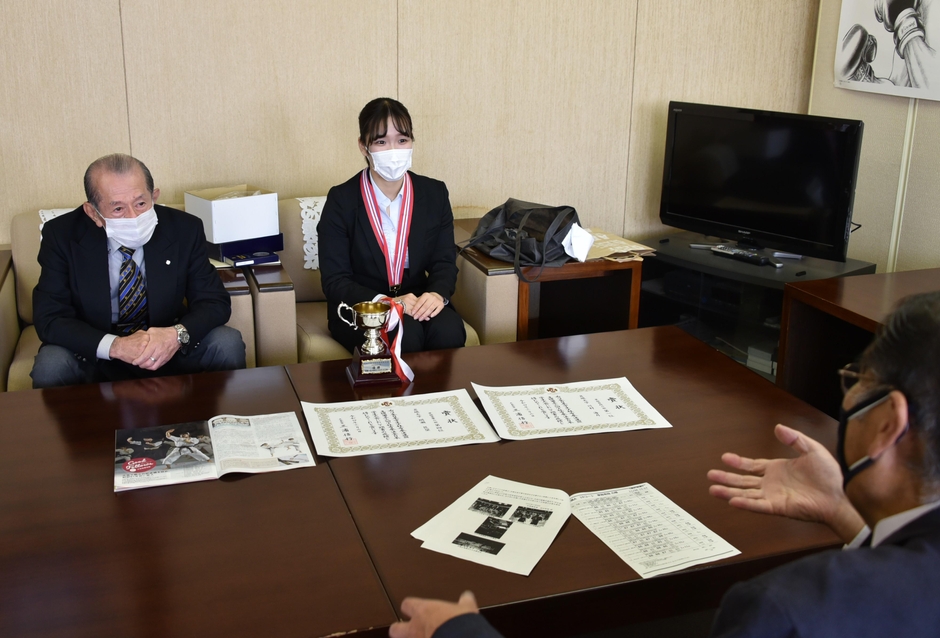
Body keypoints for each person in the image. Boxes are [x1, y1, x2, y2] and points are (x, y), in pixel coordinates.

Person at [388, 291, 940, 638]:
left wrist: (462, 633)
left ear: (889, 421)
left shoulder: (786, 610)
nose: (847, 401)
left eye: (857, 382)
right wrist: (846, 514)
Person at [31, 153, 246, 388]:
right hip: (97, 352)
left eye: (141, 204)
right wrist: (115, 346)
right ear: (93, 212)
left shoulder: (185, 229)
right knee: (51, 364)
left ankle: (224, 422)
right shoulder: (61, 236)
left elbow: (214, 302)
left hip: (165, 346)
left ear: (154, 196)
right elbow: (50, 317)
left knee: (226, 342)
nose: (134, 217)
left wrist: (176, 335)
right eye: (118, 209)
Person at [318, 98, 466, 354]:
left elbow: (444, 261)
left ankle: (444, 395)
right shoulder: (341, 200)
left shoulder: (434, 193)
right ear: (364, 146)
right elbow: (335, 280)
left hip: (417, 297)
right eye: (381, 141)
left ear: (411, 142)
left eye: (402, 140)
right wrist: (389, 303)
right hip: (363, 306)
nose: (393, 149)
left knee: (450, 330)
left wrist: (436, 295)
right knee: (404, 335)